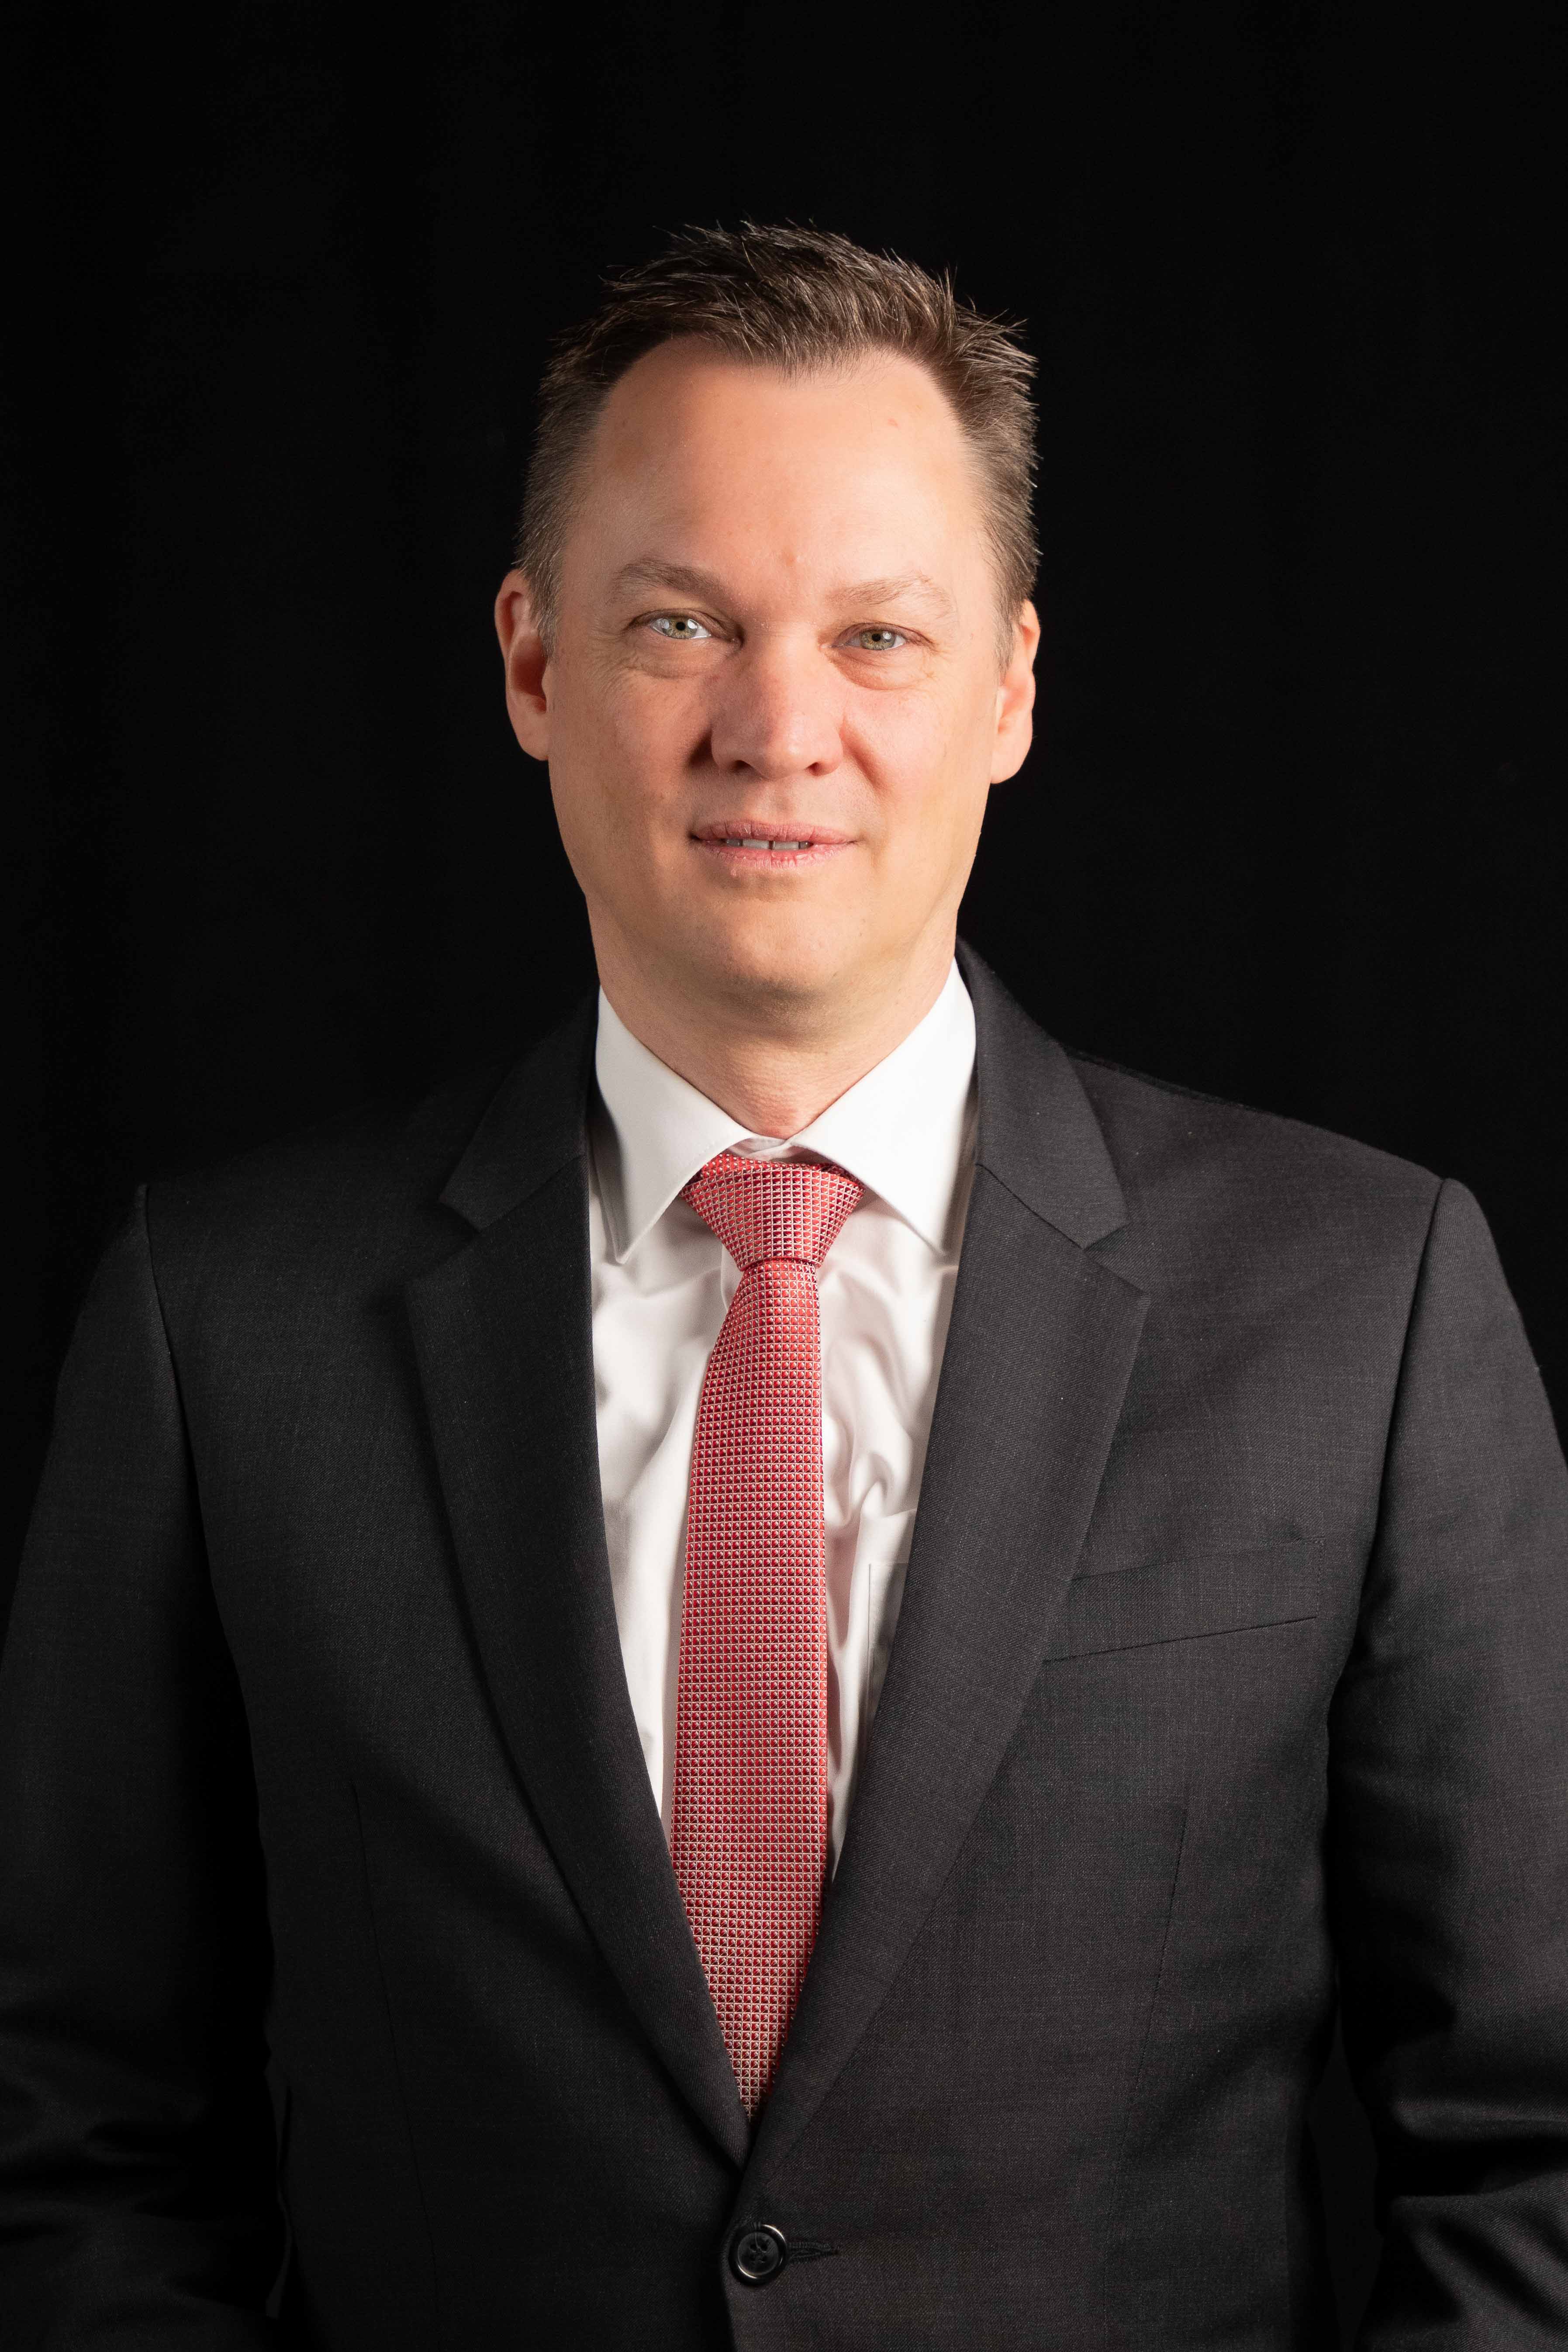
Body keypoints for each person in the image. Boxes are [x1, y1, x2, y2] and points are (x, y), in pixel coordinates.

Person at [2, 222, 1566, 2351]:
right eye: (682, 621)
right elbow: (82, 2133)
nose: (778, 725)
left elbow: (1528, 2143)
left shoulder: (1362, 1308)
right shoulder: (224, 1330)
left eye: (878, 636)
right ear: (535, 663)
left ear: (1010, 686)